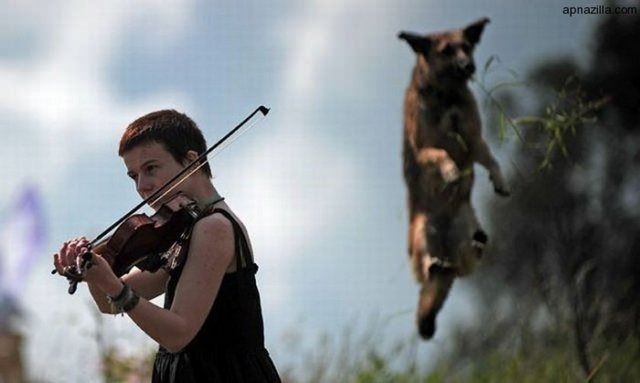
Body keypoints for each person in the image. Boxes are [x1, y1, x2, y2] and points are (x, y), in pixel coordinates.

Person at [53, 110, 281, 382]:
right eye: (133, 176)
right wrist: (93, 272)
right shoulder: (185, 228)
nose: (142, 186)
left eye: (150, 168)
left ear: (191, 161)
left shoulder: (214, 227)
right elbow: (109, 304)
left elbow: (178, 334)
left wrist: (114, 286)